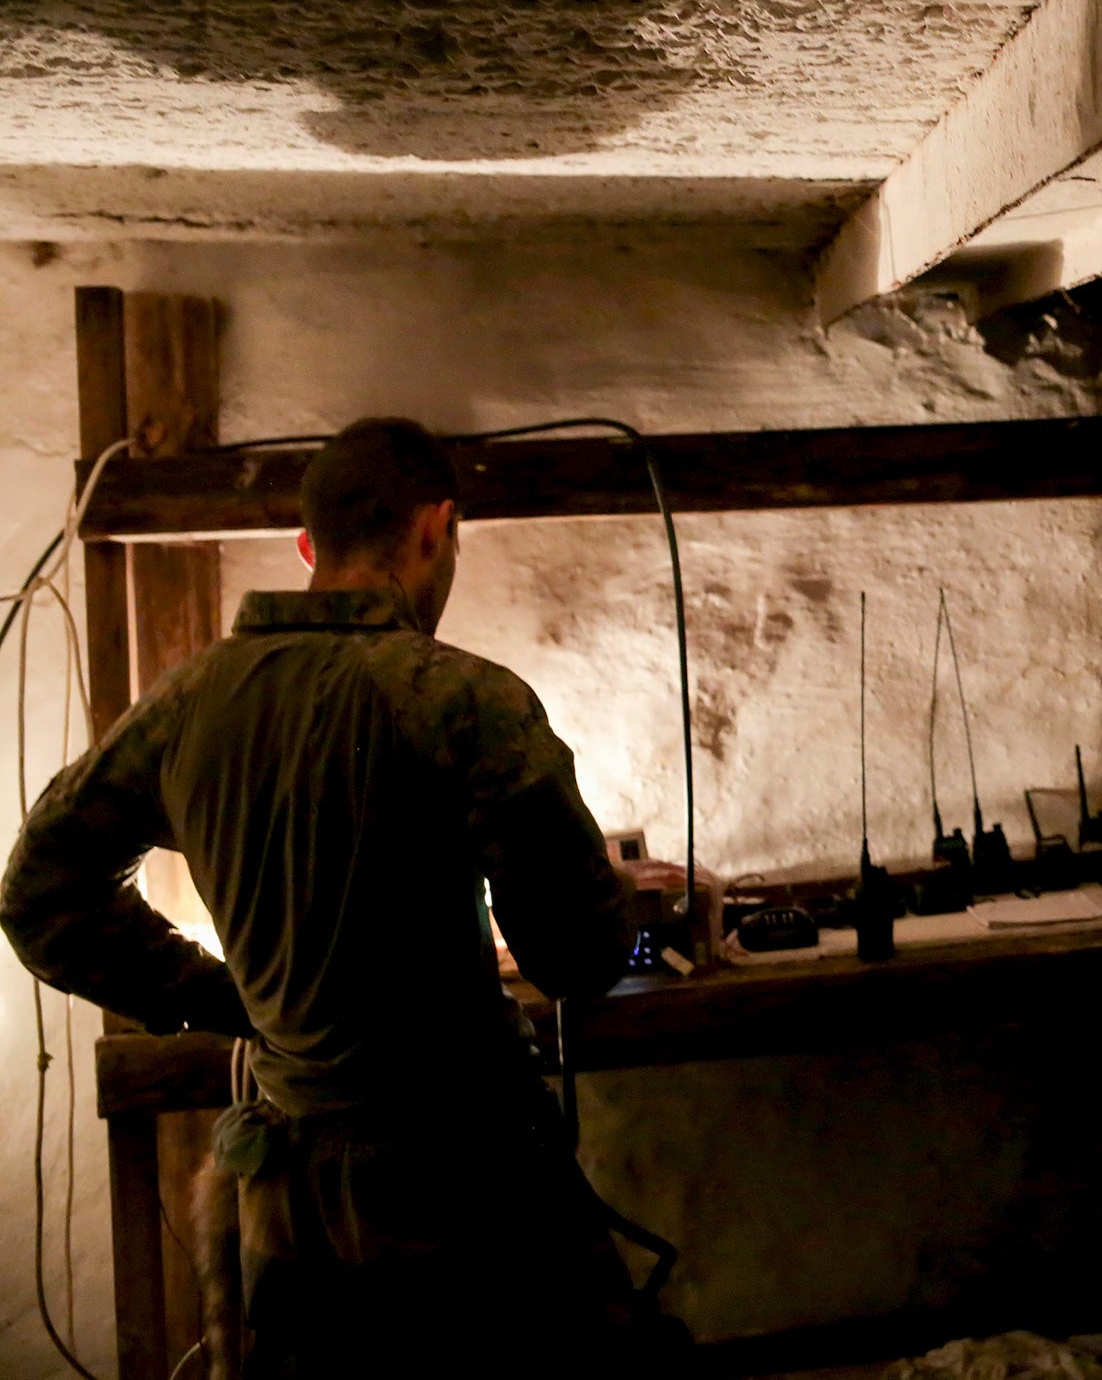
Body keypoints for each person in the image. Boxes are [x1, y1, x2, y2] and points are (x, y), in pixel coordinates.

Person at [1, 418, 642, 1378]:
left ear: (307, 546)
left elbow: (40, 894)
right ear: (436, 527)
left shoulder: (190, 705)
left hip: (289, 1202)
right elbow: (580, 959)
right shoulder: (462, 700)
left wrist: (227, 1001)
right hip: (470, 1188)